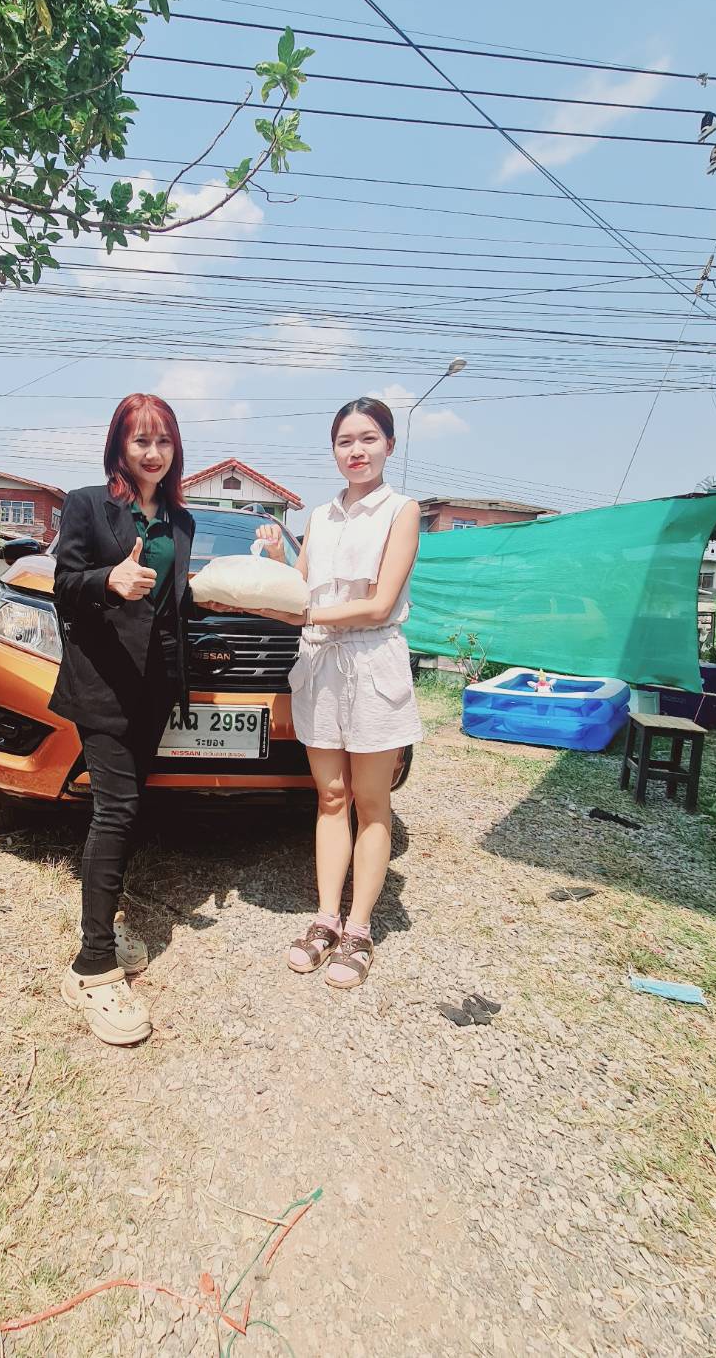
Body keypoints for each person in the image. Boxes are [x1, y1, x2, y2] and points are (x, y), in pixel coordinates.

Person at [255, 397, 423, 989]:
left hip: (373, 661)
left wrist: (308, 614)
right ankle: (325, 918)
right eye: (345, 441)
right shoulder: (320, 516)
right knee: (330, 797)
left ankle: (359, 929)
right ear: (333, 450)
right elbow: (300, 590)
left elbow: (379, 604)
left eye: (369, 438)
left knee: (372, 802)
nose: (357, 451)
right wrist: (278, 560)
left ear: (389, 445)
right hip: (320, 664)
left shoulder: (403, 511)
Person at [49, 393, 194, 1046]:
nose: (152, 452)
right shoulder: (87, 504)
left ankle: (106, 923)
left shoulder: (181, 520)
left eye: (163, 440)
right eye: (141, 440)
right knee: (115, 810)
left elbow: (174, 604)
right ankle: (92, 966)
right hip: (103, 682)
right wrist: (108, 580)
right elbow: (64, 584)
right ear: (119, 447)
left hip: (154, 687)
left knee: (128, 810)